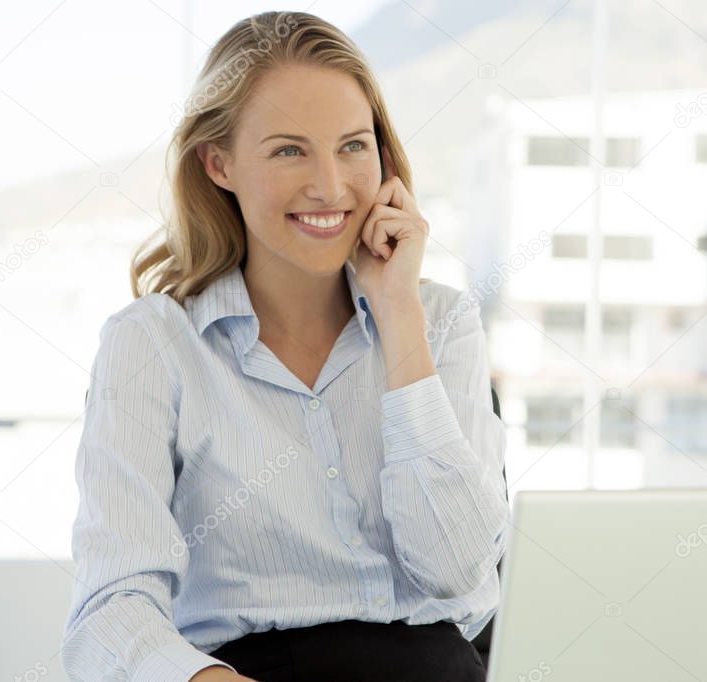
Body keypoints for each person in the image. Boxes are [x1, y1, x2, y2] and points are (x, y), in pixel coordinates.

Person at [60, 10, 508, 682]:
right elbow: (108, 609)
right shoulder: (151, 344)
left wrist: (397, 314)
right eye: (288, 150)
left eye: (353, 146)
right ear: (219, 163)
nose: (330, 186)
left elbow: (455, 568)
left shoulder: (438, 321)